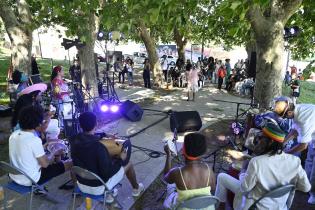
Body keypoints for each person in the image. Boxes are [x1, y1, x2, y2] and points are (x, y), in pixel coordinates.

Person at [215, 122, 311, 210]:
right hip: (279, 207)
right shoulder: (295, 161)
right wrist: (283, 185)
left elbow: (244, 188)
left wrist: (244, 170)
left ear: (271, 142)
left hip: (256, 206)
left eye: (261, 138)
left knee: (221, 177)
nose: (257, 140)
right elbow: (306, 188)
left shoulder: (256, 162)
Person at [70, 112, 144, 203]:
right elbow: (107, 173)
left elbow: (88, 136)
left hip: (81, 183)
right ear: (96, 124)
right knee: (128, 164)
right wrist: (120, 158)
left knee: (103, 161)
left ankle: (109, 194)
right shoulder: (98, 147)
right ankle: (136, 189)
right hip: (98, 187)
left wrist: (104, 135)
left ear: (80, 125)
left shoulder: (73, 140)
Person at [9, 105, 72, 187]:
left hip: (15, 176)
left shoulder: (14, 135)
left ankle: (59, 164)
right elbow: (45, 164)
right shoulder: (34, 140)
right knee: (70, 163)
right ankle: (77, 190)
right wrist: (53, 152)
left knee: (54, 159)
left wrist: (45, 145)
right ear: (38, 123)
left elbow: (27, 149)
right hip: (30, 180)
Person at [273, 97, 315, 204]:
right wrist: (281, 143)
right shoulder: (298, 110)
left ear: (290, 111)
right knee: (309, 163)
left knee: (314, 170)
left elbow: (302, 146)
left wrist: (285, 153)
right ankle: (307, 186)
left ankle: (313, 195)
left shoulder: (304, 118)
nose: (285, 118)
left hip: (310, 139)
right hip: (312, 138)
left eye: (285, 116)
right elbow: (294, 131)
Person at [163, 133, 215, 209]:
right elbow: (213, 188)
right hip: (206, 207)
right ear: (203, 152)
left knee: (170, 186)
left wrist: (168, 155)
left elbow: (166, 177)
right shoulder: (209, 169)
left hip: (184, 207)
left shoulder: (177, 173)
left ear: (183, 150)